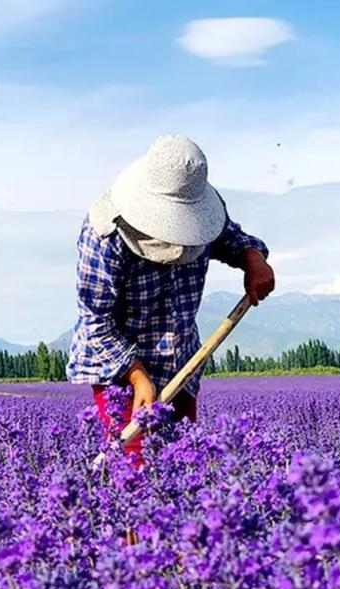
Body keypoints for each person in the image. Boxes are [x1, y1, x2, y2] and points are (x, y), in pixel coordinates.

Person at [67, 135, 275, 460]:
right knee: (132, 473)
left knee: (182, 464)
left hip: (182, 364)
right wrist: (137, 376)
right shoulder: (104, 234)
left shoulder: (201, 211)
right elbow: (95, 322)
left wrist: (252, 257)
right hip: (118, 371)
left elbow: (231, 237)